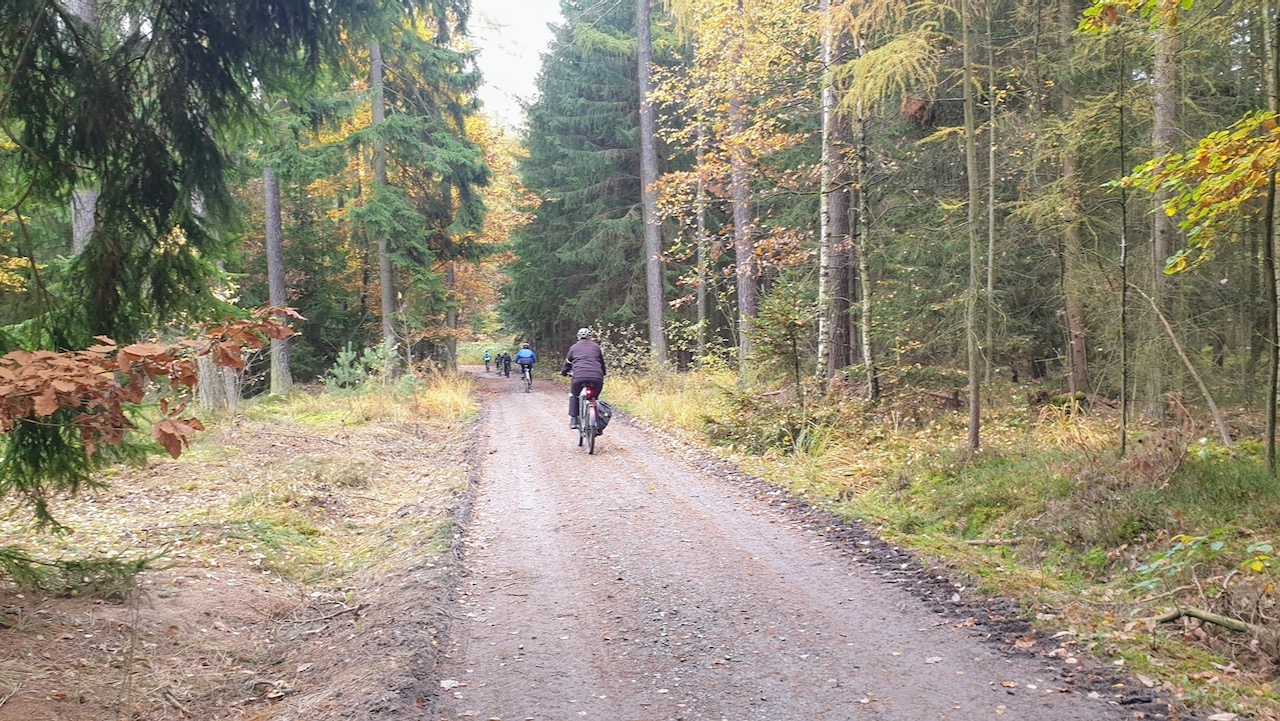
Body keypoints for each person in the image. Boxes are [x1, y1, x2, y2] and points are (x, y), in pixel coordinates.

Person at [561, 327, 605, 429]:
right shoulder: (596, 347)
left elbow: (568, 363)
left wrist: (564, 372)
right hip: (596, 377)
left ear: (578, 337)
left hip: (579, 376)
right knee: (595, 399)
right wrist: (603, 373)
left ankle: (574, 420)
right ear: (590, 337)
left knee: (574, 395)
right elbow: (602, 363)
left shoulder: (574, 348)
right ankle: (597, 421)